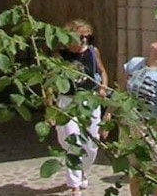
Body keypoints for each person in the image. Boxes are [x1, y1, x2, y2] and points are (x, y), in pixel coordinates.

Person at [121, 36, 157, 196]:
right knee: (136, 170)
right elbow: (120, 93)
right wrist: (108, 116)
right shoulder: (134, 63)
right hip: (131, 124)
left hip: (152, 127)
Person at [57, 19, 106, 194]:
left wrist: (102, 87)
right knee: (72, 139)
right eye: (81, 37)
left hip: (90, 100)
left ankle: (82, 171)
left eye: (87, 37)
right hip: (68, 100)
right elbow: (51, 80)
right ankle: (74, 185)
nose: (84, 40)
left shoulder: (93, 52)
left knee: (92, 143)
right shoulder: (60, 56)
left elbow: (101, 71)